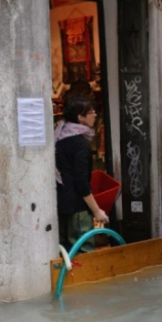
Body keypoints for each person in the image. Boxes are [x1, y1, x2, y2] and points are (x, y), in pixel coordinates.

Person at [55, 95, 110, 253]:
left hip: (61, 205)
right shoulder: (79, 144)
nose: (95, 115)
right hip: (77, 208)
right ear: (80, 117)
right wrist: (96, 211)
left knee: (65, 251)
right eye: (91, 112)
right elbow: (81, 182)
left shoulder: (59, 138)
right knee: (83, 251)